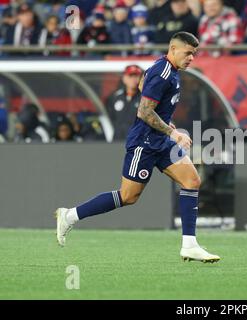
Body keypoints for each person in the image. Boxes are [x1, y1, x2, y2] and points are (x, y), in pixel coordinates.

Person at [54, 32, 220, 263]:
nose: (192, 57)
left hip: (160, 141)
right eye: (188, 52)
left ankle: (190, 245)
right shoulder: (163, 73)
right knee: (128, 196)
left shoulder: (168, 70)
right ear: (173, 49)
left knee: (192, 181)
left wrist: (165, 122)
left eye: (195, 53)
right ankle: (69, 216)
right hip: (144, 143)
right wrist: (173, 132)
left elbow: (144, 87)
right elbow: (143, 111)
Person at [106, 64, 143, 140]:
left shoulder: (145, 98)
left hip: (137, 141)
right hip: (116, 140)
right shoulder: (114, 98)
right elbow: (109, 118)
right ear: (124, 78)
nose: (133, 79)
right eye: (130, 76)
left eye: (136, 76)